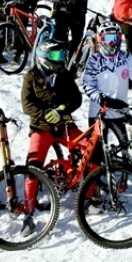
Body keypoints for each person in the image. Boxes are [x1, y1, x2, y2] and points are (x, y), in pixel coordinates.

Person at [22, 36, 82, 221]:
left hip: (65, 125)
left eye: (61, 54)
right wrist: (45, 112)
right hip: (41, 127)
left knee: (91, 149)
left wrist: (62, 110)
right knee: (34, 164)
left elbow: (76, 99)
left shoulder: (65, 74)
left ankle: (88, 198)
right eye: (55, 54)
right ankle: (29, 207)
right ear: (43, 56)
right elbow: (27, 104)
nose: (60, 58)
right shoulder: (31, 76)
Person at [83, 22, 132, 156]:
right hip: (99, 112)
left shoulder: (126, 57)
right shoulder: (94, 60)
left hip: (120, 110)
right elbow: (88, 85)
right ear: (100, 40)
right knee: (96, 154)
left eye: (115, 38)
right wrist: (101, 98)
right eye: (107, 39)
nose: (112, 43)